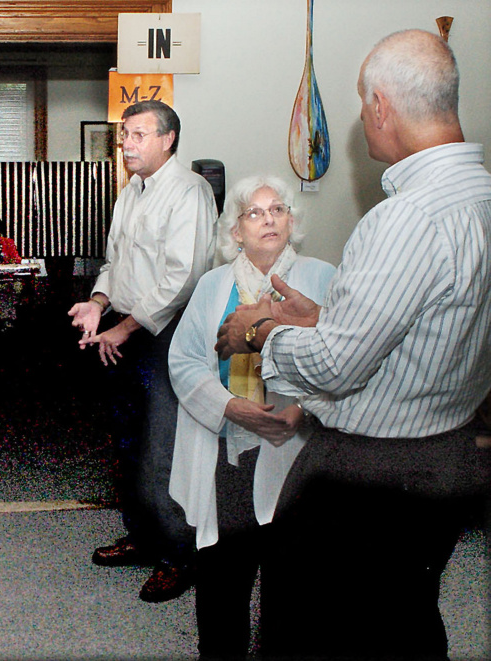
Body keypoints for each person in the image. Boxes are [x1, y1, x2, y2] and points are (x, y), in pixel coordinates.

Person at [215, 30, 491, 658]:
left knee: (306, 627)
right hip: (448, 453)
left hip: (370, 476)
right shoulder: (479, 196)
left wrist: (259, 330)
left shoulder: (406, 217)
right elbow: (429, 325)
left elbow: (337, 368)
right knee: (403, 617)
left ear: (381, 107)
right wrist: (323, 316)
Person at [167, 176, 335, 658]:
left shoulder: (322, 277)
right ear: (236, 232)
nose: (268, 219)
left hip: (296, 448)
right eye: (254, 213)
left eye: (277, 209)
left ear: (291, 222)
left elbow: (342, 359)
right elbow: (183, 361)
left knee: (293, 572)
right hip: (225, 445)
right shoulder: (212, 285)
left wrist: (301, 410)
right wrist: (229, 407)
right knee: (222, 570)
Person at [68, 100, 217, 602]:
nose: (127, 144)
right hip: (124, 329)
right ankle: (143, 535)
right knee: (127, 440)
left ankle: (180, 554)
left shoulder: (189, 192)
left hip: (164, 337)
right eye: (124, 135)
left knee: (162, 448)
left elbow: (183, 279)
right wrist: (96, 304)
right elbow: (115, 262)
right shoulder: (132, 191)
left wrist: (125, 328)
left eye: (137, 134)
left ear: (168, 139)